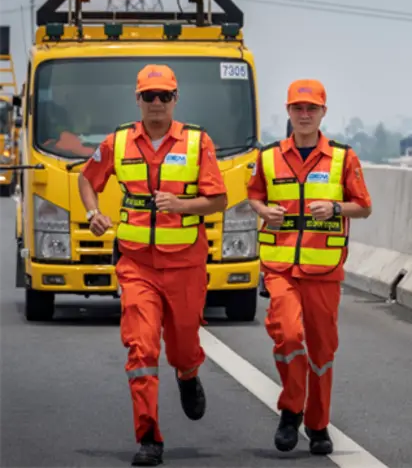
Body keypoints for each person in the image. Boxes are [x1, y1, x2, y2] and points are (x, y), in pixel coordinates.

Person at [77, 64, 228, 467]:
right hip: (136, 264)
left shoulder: (198, 143)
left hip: (186, 265)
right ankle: (148, 436)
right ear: (138, 99)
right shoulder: (118, 141)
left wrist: (182, 205)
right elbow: (87, 180)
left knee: (182, 346)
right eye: (149, 96)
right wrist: (94, 213)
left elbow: (218, 200)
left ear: (176, 99)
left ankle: (188, 374)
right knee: (141, 348)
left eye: (164, 96)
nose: (156, 103)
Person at [246, 79, 372, 455]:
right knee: (287, 336)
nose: (304, 114)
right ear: (288, 111)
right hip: (281, 267)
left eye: (311, 108)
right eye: (298, 108)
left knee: (321, 352)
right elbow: (253, 194)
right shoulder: (268, 157)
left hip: (323, 270)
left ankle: (318, 425)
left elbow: (363, 206)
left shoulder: (342, 158)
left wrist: (336, 208)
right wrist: (262, 209)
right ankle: (290, 411)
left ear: (322, 113)